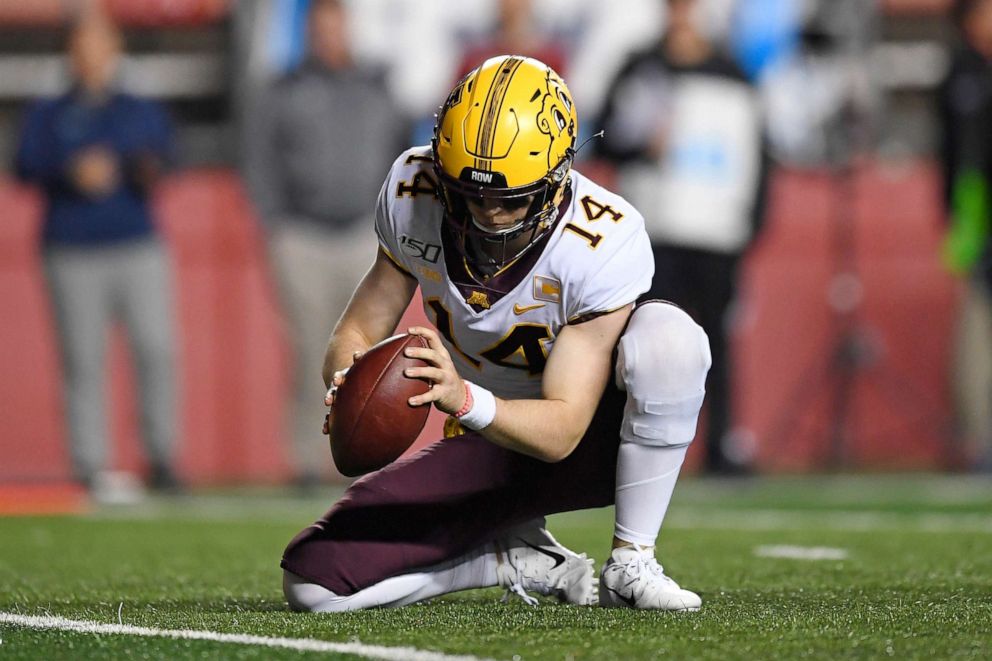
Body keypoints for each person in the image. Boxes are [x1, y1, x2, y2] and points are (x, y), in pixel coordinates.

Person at [280, 55, 711, 612]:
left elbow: (561, 430)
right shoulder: (414, 191)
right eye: (469, 193)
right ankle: (509, 561)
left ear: (557, 179)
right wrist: (349, 378)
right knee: (313, 584)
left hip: (592, 442)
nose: (487, 212)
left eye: (510, 198)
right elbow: (360, 326)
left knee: (671, 341)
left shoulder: (601, 240)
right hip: (487, 440)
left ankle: (631, 559)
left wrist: (459, 396)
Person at [596, 0, 768, 475]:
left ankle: (720, 448)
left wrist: (752, 222)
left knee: (718, 345)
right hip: (655, 232)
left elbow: (756, 151)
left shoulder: (734, 73)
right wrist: (640, 140)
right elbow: (605, 133)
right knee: (642, 342)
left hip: (716, 233)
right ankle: (626, 448)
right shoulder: (641, 66)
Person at [14, 10, 180, 496]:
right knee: (83, 359)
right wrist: (71, 172)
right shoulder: (49, 111)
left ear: (114, 49)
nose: (91, 53)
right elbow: (23, 164)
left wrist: (133, 168)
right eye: (82, 44)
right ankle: (90, 463)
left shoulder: (137, 106)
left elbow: (168, 155)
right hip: (71, 248)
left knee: (156, 349)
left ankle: (162, 456)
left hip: (136, 242)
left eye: (100, 42)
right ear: (69, 52)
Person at [243, 0, 406, 488]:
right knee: (312, 351)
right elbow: (257, 158)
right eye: (320, 28)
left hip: (364, 235)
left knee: (369, 356)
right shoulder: (283, 90)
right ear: (309, 33)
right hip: (303, 235)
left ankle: (367, 457)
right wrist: (276, 223)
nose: (328, 37)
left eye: (336, 27)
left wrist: (393, 223)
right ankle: (308, 462)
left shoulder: (378, 86)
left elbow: (402, 153)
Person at [938, 0, 992, 471]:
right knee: (976, 327)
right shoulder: (962, 73)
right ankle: (978, 440)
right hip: (978, 213)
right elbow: (957, 156)